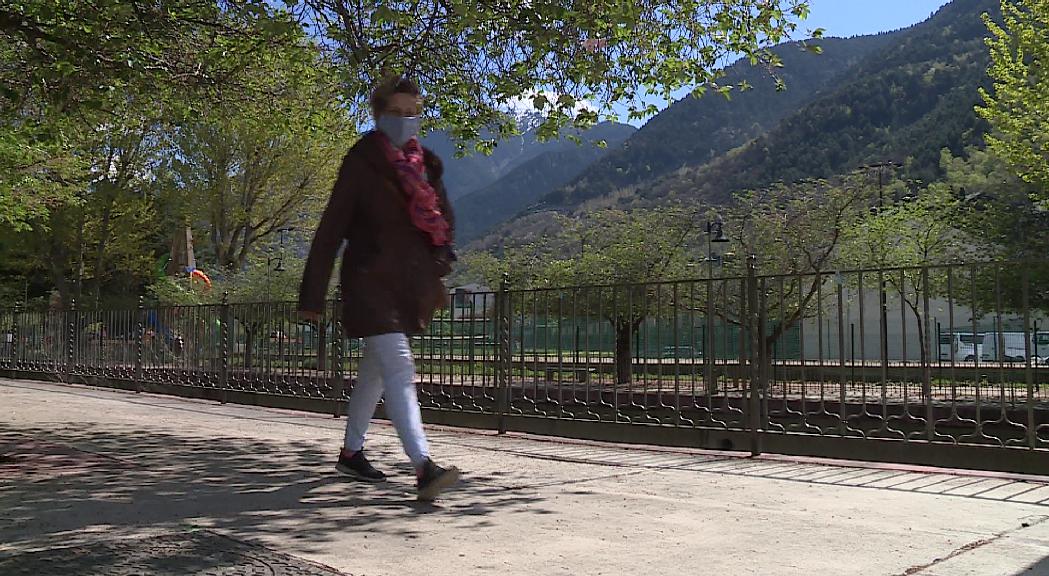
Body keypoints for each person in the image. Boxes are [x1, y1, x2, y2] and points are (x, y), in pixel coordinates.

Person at [298, 76, 460, 501]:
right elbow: (331, 228)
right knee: (400, 368)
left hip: (406, 286)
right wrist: (312, 295)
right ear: (378, 116)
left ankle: (351, 453)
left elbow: (444, 220)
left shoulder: (428, 166)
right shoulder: (361, 160)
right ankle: (423, 467)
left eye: (413, 113)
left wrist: (440, 261)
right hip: (368, 282)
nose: (407, 121)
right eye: (397, 113)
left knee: (375, 372)